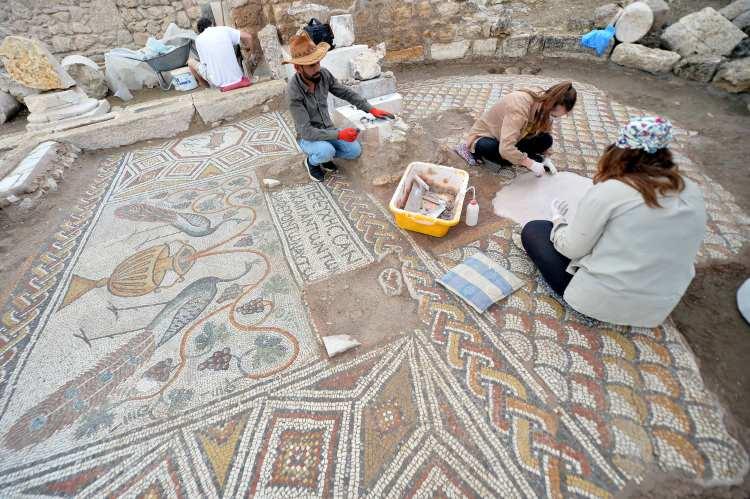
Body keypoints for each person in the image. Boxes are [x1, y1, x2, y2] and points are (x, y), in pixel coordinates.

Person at [520, 117, 707, 328]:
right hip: (657, 307)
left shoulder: (611, 191)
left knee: (535, 230)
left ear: (619, 152)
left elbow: (571, 249)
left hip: (601, 300)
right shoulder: (691, 189)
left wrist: (558, 221)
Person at [283, 32, 394, 182]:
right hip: (308, 138)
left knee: (354, 151)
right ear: (298, 68)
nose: (317, 68)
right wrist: (339, 135)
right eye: (311, 65)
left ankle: (325, 157)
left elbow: (346, 93)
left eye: (318, 62)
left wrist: (371, 109)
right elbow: (307, 132)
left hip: (328, 129)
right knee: (325, 150)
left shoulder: (323, 74)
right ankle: (312, 162)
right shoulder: (293, 92)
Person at [454, 81, 577, 176]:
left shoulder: (545, 105)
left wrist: (546, 158)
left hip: (514, 136)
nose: (552, 119)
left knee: (546, 140)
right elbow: (506, 148)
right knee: (500, 154)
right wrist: (530, 163)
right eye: (553, 115)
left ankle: (521, 158)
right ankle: (471, 151)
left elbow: (546, 131)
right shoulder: (519, 106)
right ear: (549, 103)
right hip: (488, 137)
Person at [187, 17, 254, 88]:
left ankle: (207, 87)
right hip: (238, 78)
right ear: (212, 24)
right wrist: (251, 53)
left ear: (200, 31)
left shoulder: (198, 39)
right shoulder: (224, 29)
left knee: (190, 62)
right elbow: (248, 36)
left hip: (217, 82)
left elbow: (204, 63)